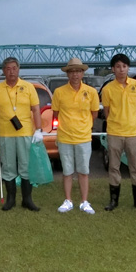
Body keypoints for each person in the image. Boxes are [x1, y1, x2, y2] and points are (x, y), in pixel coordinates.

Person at [0, 57, 43, 211]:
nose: (11, 71)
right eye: (8, 68)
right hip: (5, 134)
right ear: (3, 70)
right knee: (8, 167)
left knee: (26, 166)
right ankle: (10, 199)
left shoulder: (28, 87)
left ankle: (27, 199)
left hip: (25, 132)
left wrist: (38, 129)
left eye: (14, 68)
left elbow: (35, 109)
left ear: (18, 69)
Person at [101, 53, 136, 212]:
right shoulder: (108, 89)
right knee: (113, 167)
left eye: (124, 66)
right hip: (115, 132)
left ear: (128, 67)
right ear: (113, 69)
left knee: (135, 167)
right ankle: (113, 201)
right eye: (118, 66)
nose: (121, 69)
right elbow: (106, 112)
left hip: (133, 133)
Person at [51, 58, 99, 214]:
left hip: (84, 137)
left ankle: (84, 201)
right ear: (68, 74)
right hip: (65, 137)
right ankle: (68, 200)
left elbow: (94, 113)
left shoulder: (91, 91)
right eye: (72, 71)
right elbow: (56, 113)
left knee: (84, 171)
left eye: (78, 71)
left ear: (83, 73)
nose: (75, 75)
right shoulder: (59, 92)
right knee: (67, 171)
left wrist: (82, 126)